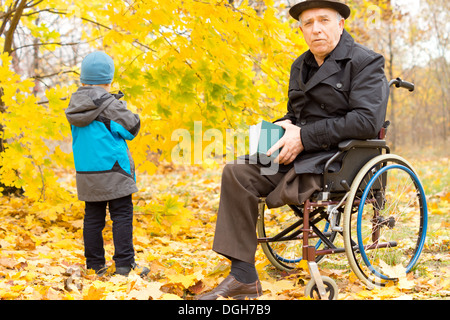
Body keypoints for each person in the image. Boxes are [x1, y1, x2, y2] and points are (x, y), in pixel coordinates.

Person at [198, 0, 389, 300]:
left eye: (324, 20)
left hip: (338, 160)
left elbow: (366, 121)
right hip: (298, 152)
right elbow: (297, 114)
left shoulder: (365, 61)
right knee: (237, 172)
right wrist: (282, 127)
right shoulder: (300, 65)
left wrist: (304, 136)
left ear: (340, 24)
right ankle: (243, 276)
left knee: (285, 169)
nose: (316, 29)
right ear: (301, 29)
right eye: (308, 23)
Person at [65, 51, 149, 277]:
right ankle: (124, 265)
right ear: (109, 80)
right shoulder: (110, 104)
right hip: (114, 171)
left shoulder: (75, 105)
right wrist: (126, 108)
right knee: (121, 215)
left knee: (93, 219)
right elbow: (130, 128)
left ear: (82, 79)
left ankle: (94, 267)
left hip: (87, 174)